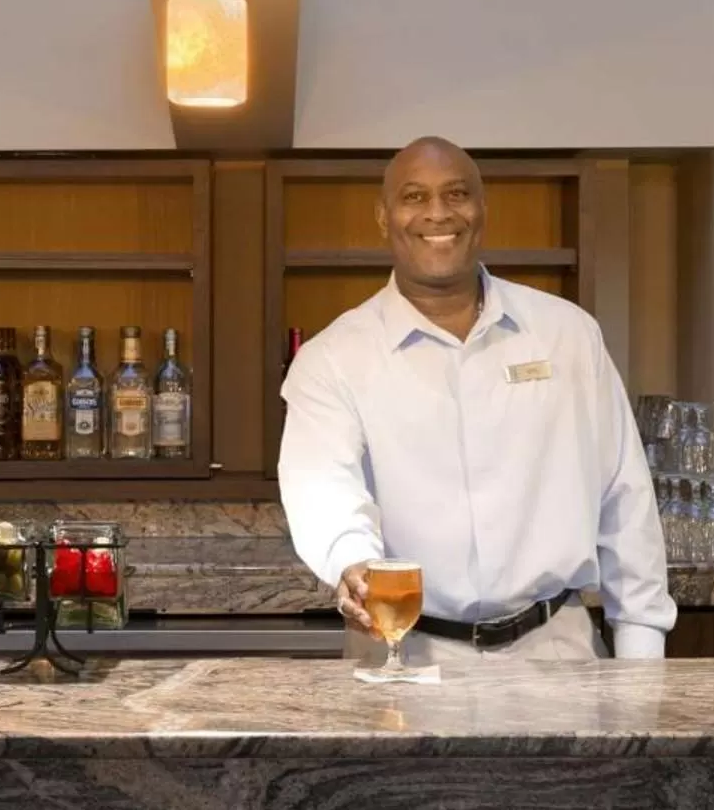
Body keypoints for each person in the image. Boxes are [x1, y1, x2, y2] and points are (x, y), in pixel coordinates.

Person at [278, 137, 674, 662]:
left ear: (482, 210)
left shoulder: (568, 334)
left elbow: (625, 499)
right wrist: (352, 563)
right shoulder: (333, 358)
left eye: (456, 194)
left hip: (558, 653)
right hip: (402, 653)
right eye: (414, 196)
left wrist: (641, 660)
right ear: (384, 216)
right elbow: (321, 487)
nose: (438, 213)